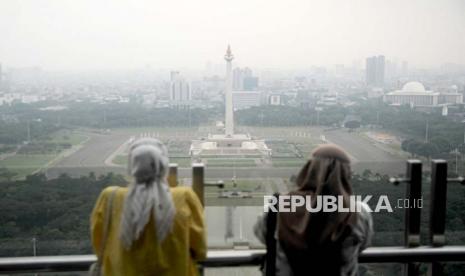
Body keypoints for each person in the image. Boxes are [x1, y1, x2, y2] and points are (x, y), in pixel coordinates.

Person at [91, 138, 206, 276]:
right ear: (164, 165)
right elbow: (200, 249)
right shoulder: (185, 196)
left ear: (131, 166)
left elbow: (100, 247)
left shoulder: (109, 198)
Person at [254, 144, 373, 276]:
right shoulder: (359, 212)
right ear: (346, 174)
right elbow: (363, 245)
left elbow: (263, 235)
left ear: (308, 170)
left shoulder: (277, 207)